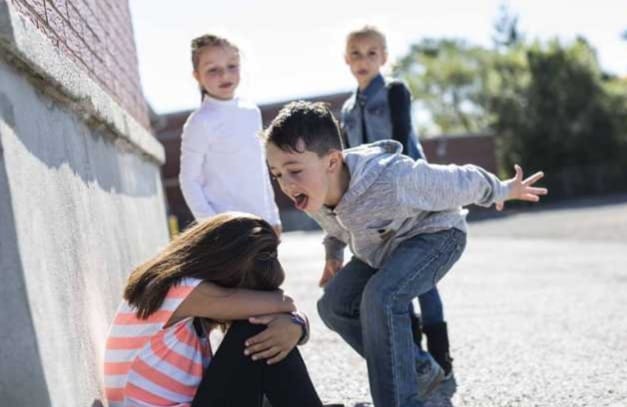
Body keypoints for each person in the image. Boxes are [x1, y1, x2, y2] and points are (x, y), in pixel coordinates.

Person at [263, 101, 547, 407]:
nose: (286, 184)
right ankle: (419, 369)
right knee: (333, 305)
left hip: (436, 236)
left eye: (293, 170)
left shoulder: (391, 178)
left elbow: (459, 179)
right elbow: (335, 228)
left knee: (381, 297)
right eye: (277, 174)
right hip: (381, 249)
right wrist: (333, 254)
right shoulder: (313, 193)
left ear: (332, 162)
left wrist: (503, 190)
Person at [103, 212, 342, 407]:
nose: (246, 299)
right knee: (254, 328)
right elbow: (284, 303)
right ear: (226, 269)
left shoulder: (179, 295)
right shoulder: (179, 289)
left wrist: (297, 326)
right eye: (248, 291)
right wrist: (295, 323)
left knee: (262, 337)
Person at [340, 25, 452, 377]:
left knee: (423, 280)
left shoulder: (394, 92)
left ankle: (441, 358)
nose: (363, 60)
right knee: (393, 279)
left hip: (409, 195)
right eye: (356, 53)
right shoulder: (346, 109)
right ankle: (418, 362)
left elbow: (403, 140)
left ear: (384, 58)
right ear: (346, 59)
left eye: (372, 53)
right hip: (373, 206)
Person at [179, 34, 281, 234]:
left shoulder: (252, 112)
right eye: (213, 70)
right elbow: (189, 180)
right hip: (227, 230)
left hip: (262, 224)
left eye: (232, 66)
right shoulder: (200, 122)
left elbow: (260, 170)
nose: (225, 75)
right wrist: (211, 225)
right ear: (197, 76)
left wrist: (273, 216)